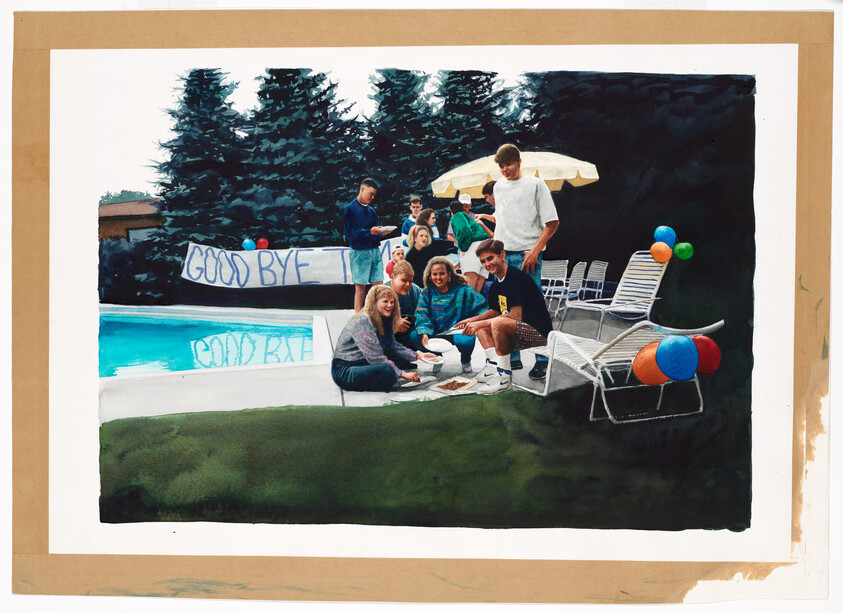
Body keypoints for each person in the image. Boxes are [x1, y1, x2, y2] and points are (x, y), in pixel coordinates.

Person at [492, 144, 559, 380]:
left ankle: (543, 359)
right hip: (503, 255)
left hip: (527, 255)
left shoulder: (536, 184)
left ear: (519, 162)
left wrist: (534, 252)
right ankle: (513, 357)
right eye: (501, 165)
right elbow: (502, 222)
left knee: (533, 306)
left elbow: (552, 223)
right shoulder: (499, 187)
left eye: (508, 163)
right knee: (505, 306)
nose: (505, 169)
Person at [455, 239, 553, 394]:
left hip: (538, 333)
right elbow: (495, 311)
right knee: (482, 321)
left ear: (502, 255)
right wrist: (470, 321)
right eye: (483, 262)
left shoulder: (517, 278)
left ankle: (504, 380)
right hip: (519, 331)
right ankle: (492, 368)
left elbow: (515, 315)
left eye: (490, 258)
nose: (487, 264)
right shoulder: (496, 284)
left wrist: (480, 324)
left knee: (496, 324)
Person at [331, 285, 436, 392]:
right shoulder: (362, 321)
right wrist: (403, 374)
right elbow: (375, 357)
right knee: (388, 371)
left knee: (392, 361)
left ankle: (386, 379)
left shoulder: (383, 318)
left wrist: (419, 355)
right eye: (385, 301)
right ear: (374, 302)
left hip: (362, 362)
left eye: (392, 302)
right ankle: (389, 380)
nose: (390, 305)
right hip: (345, 370)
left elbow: (393, 345)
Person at [412, 256, 488, 373]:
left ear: (449, 275)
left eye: (442, 273)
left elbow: (482, 307)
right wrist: (424, 332)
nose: (438, 277)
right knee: (415, 336)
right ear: (430, 276)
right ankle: (437, 357)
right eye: (434, 274)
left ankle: (466, 359)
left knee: (466, 339)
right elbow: (422, 313)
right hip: (435, 332)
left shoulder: (463, 290)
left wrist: (470, 322)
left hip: (456, 330)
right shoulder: (426, 293)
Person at [343, 178, 391, 312]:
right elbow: (350, 235)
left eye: (374, 194)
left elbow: (375, 231)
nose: (373, 197)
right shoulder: (350, 209)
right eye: (371, 194)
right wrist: (370, 231)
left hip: (374, 251)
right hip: (359, 252)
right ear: (362, 189)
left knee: (378, 285)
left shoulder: (371, 211)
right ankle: (357, 317)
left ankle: (378, 314)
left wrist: (382, 232)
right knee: (360, 288)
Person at [447, 200, 492, 292]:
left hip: (474, 246)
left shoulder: (457, 216)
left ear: (451, 211)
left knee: (469, 288)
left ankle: (468, 306)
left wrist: (463, 248)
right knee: (477, 288)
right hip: (485, 247)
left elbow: (465, 229)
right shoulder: (468, 217)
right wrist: (460, 263)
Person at [386, 260, 424, 356]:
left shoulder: (415, 290)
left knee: (418, 335)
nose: (408, 285)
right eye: (404, 280)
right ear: (392, 278)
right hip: (388, 336)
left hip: (409, 332)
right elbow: (370, 325)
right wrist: (393, 326)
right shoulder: (380, 293)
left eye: (410, 281)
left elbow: (426, 313)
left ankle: (435, 355)